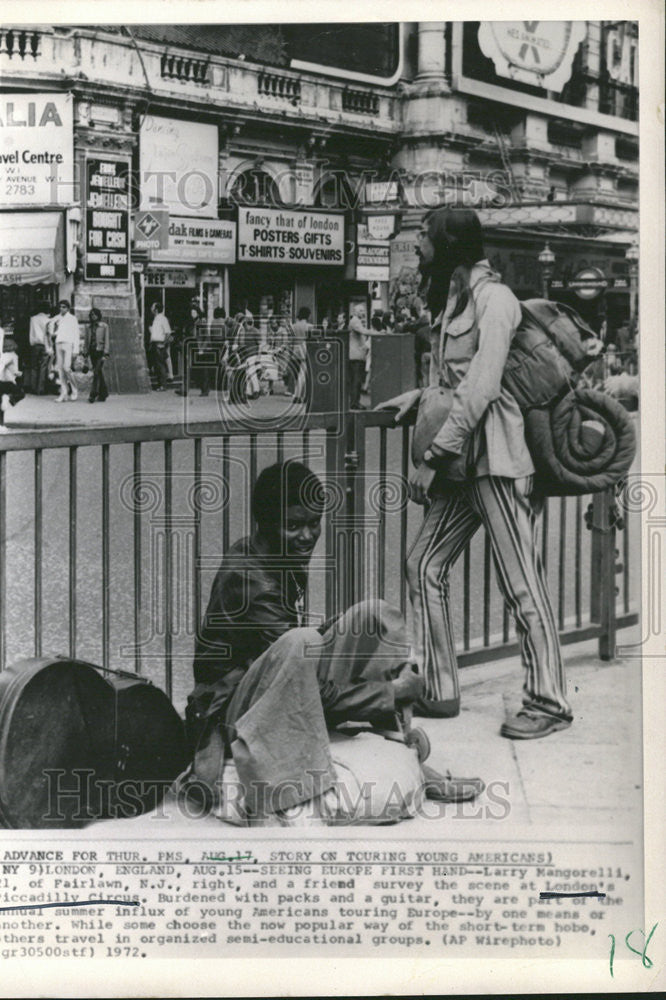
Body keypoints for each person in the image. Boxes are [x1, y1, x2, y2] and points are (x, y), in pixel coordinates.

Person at [184, 460, 484, 826]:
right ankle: (398, 752)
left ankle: (404, 748)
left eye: (313, 523)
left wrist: (346, 634)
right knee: (304, 640)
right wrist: (390, 692)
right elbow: (307, 682)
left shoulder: (277, 551)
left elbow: (295, 657)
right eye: (293, 525)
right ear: (264, 524)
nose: (307, 536)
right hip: (232, 711)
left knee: (374, 617)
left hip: (269, 683)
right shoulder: (250, 582)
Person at [377, 207, 572, 740]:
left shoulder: (495, 300)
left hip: (498, 465)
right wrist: (419, 396)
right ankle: (440, 688)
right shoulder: (458, 297)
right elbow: (458, 379)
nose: (417, 242)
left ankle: (550, 702)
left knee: (521, 585)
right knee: (424, 565)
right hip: (468, 464)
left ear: (450, 244)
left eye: (425, 235)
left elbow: (483, 388)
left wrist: (432, 460)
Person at [51, 300, 81, 402]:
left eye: (64, 307)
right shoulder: (57, 318)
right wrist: (54, 330)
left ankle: (74, 389)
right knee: (60, 369)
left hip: (68, 344)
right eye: (60, 307)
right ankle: (63, 393)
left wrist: (76, 349)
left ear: (68, 308)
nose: (61, 309)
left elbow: (76, 334)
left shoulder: (72, 319)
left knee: (67, 368)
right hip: (58, 343)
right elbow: (51, 330)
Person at [0, 335, 24, 426]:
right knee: (20, 393)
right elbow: (6, 366)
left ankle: (0, 424)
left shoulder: (2, 355)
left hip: (0, 382)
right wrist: (18, 373)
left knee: (0, 406)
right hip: (9, 382)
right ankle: (9, 399)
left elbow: (5, 366)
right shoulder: (13, 356)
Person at [84, 307, 110, 403]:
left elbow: (107, 340)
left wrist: (106, 353)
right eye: (91, 315)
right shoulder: (88, 327)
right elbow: (86, 341)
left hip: (100, 351)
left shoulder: (104, 326)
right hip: (92, 352)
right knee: (98, 372)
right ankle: (104, 393)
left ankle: (93, 394)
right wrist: (85, 353)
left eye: (94, 314)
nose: (93, 316)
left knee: (96, 372)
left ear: (98, 315)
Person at [27, 302, 53, 395]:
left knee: (34, 366)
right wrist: (50, 346)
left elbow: (31, 332)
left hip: (34, 344)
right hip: (44, 344)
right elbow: (49, 334)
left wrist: (31, 342)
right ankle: (40, 389)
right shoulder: (48, 320)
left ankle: (33, 387)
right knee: (43, 367)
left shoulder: (33, 319)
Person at [348, 303, 369, 410]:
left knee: (356, 380)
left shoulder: (356, 321)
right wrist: (377, 332)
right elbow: (363, 331)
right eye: (360, 311)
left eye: (363, 310)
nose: (363, 312)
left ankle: (355, 401)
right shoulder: (355, 321)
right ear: (355, 312)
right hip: (356, 356)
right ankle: (354, 403)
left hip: (357, 355)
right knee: (356, 380)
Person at [148, 301, 172, 390]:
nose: (151, 309)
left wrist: (163, 344)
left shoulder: (162, 319)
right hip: (155, 344)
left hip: (159, 344)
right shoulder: (156, 319)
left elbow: (168, 333)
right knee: (157, 366)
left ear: (156, 309)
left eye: (152, 307)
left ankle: (163, 385)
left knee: (160, 365)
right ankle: (160, 384)